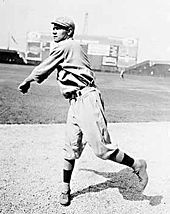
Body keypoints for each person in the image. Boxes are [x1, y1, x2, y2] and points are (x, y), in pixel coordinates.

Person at [18, 16, 148, 206]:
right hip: (75, 102)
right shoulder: (67, 47)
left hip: (87, 99)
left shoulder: (68, 45)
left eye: (59, 28)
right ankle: (65, 189)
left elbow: (44, 67)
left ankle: (137, 164)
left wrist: (28, 80)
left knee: (102, 150)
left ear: (69, 32)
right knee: (70, 148)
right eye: (53, 27)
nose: (54, 31)